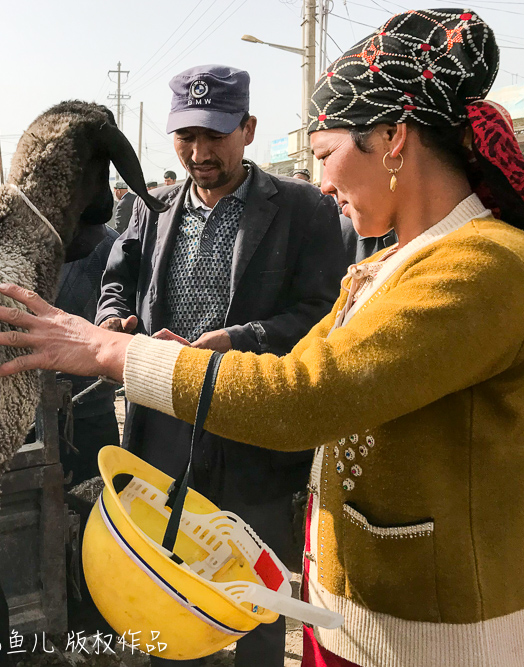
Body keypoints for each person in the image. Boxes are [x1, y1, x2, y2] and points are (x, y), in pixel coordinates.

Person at [0, 10, 524, 667]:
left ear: (393, 138)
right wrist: (123, 330)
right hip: (365, 616)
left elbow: (303, 394)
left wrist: (114, 353)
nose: (325, 183)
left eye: (324, 155)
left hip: (449, 638)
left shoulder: (484, 267)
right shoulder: (398, 259)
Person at [94, 64, 344, 667]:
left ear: (248, 129)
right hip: (165, 429)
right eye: (187, 137)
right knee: (168, 583)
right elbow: (117, 281)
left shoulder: (303, 210)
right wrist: (114, 319)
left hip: (253, 427)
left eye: (215, 136)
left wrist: (241, 338)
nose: (200, 153)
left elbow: (323, 312)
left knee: (257, 593)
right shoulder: (150, 207)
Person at [54, 225, 121, 487]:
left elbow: (122, 301)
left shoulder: (110, 244)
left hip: (91, 405)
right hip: (28, 410)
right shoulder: (26, 238)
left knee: (97, 504)